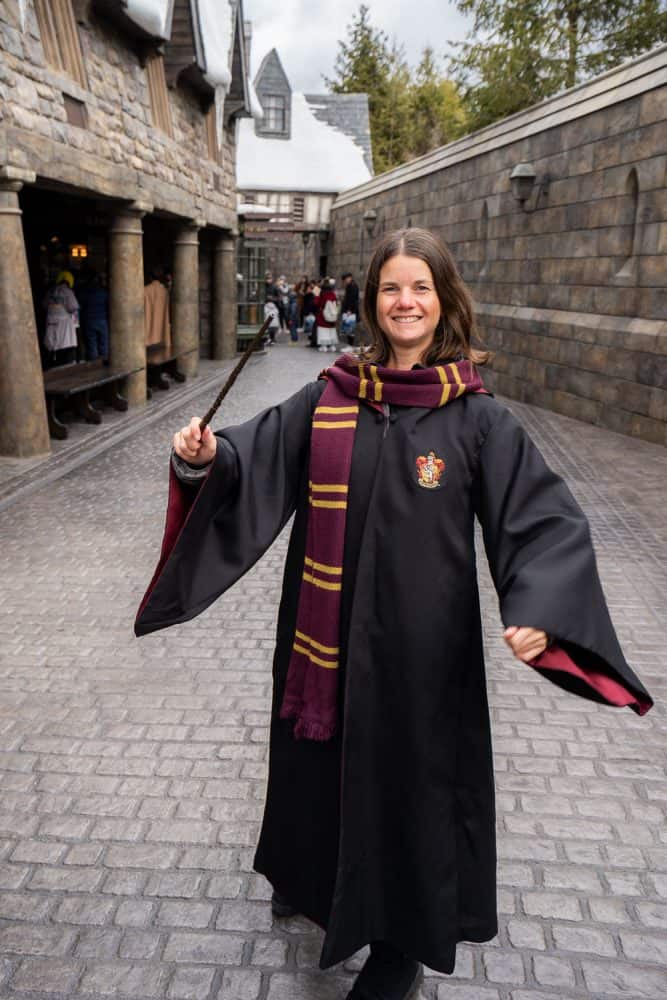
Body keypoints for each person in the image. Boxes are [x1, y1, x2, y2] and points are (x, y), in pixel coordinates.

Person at [135, 228, 652, 1000]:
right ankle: (309, 880)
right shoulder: (334, 392)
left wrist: (539, 604)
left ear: (442, 300)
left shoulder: (475, 418)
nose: (403, 302)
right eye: (389, 288)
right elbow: (258, 456)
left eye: (419, 288)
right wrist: (207, 458)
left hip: (419, 653)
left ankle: (399, 943)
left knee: (404, 788)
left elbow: (541, 521)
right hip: (322, 638)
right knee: (314, 767)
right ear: (370, 301)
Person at [43, 270, 79, 367]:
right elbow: (73, 307)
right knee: (65, 345)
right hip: (64, 324)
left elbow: (44, 305)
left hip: (51, 322)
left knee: (52, 345)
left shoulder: (51, 291)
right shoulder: (68, 291)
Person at [78, 271, 109, 361]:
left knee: (92, 345)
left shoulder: (84, 292)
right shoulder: (103, 292)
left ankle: (94, 366)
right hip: (102, 320)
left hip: (89, 321)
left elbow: (80, 306)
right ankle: (105, 364)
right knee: (104, 344)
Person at [314, 276, 339, 352]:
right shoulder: (333, 294)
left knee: (323, 330)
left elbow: (316, 303)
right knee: (331, 330)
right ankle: (332, 346)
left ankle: (323, 346)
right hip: (332, 315)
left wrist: (316, 294)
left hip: (323, 315)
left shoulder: (322, 294)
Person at [340, 271, 360, 346]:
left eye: (345, 279)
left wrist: (350, 310)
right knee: (348, 329)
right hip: (349, 310)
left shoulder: (353, 286)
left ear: (349, 278)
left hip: (350, 311)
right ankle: (349, 345)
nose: (345, 281)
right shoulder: (350, 285)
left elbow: (353, 299)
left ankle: (350, 346)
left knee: (350, 329)